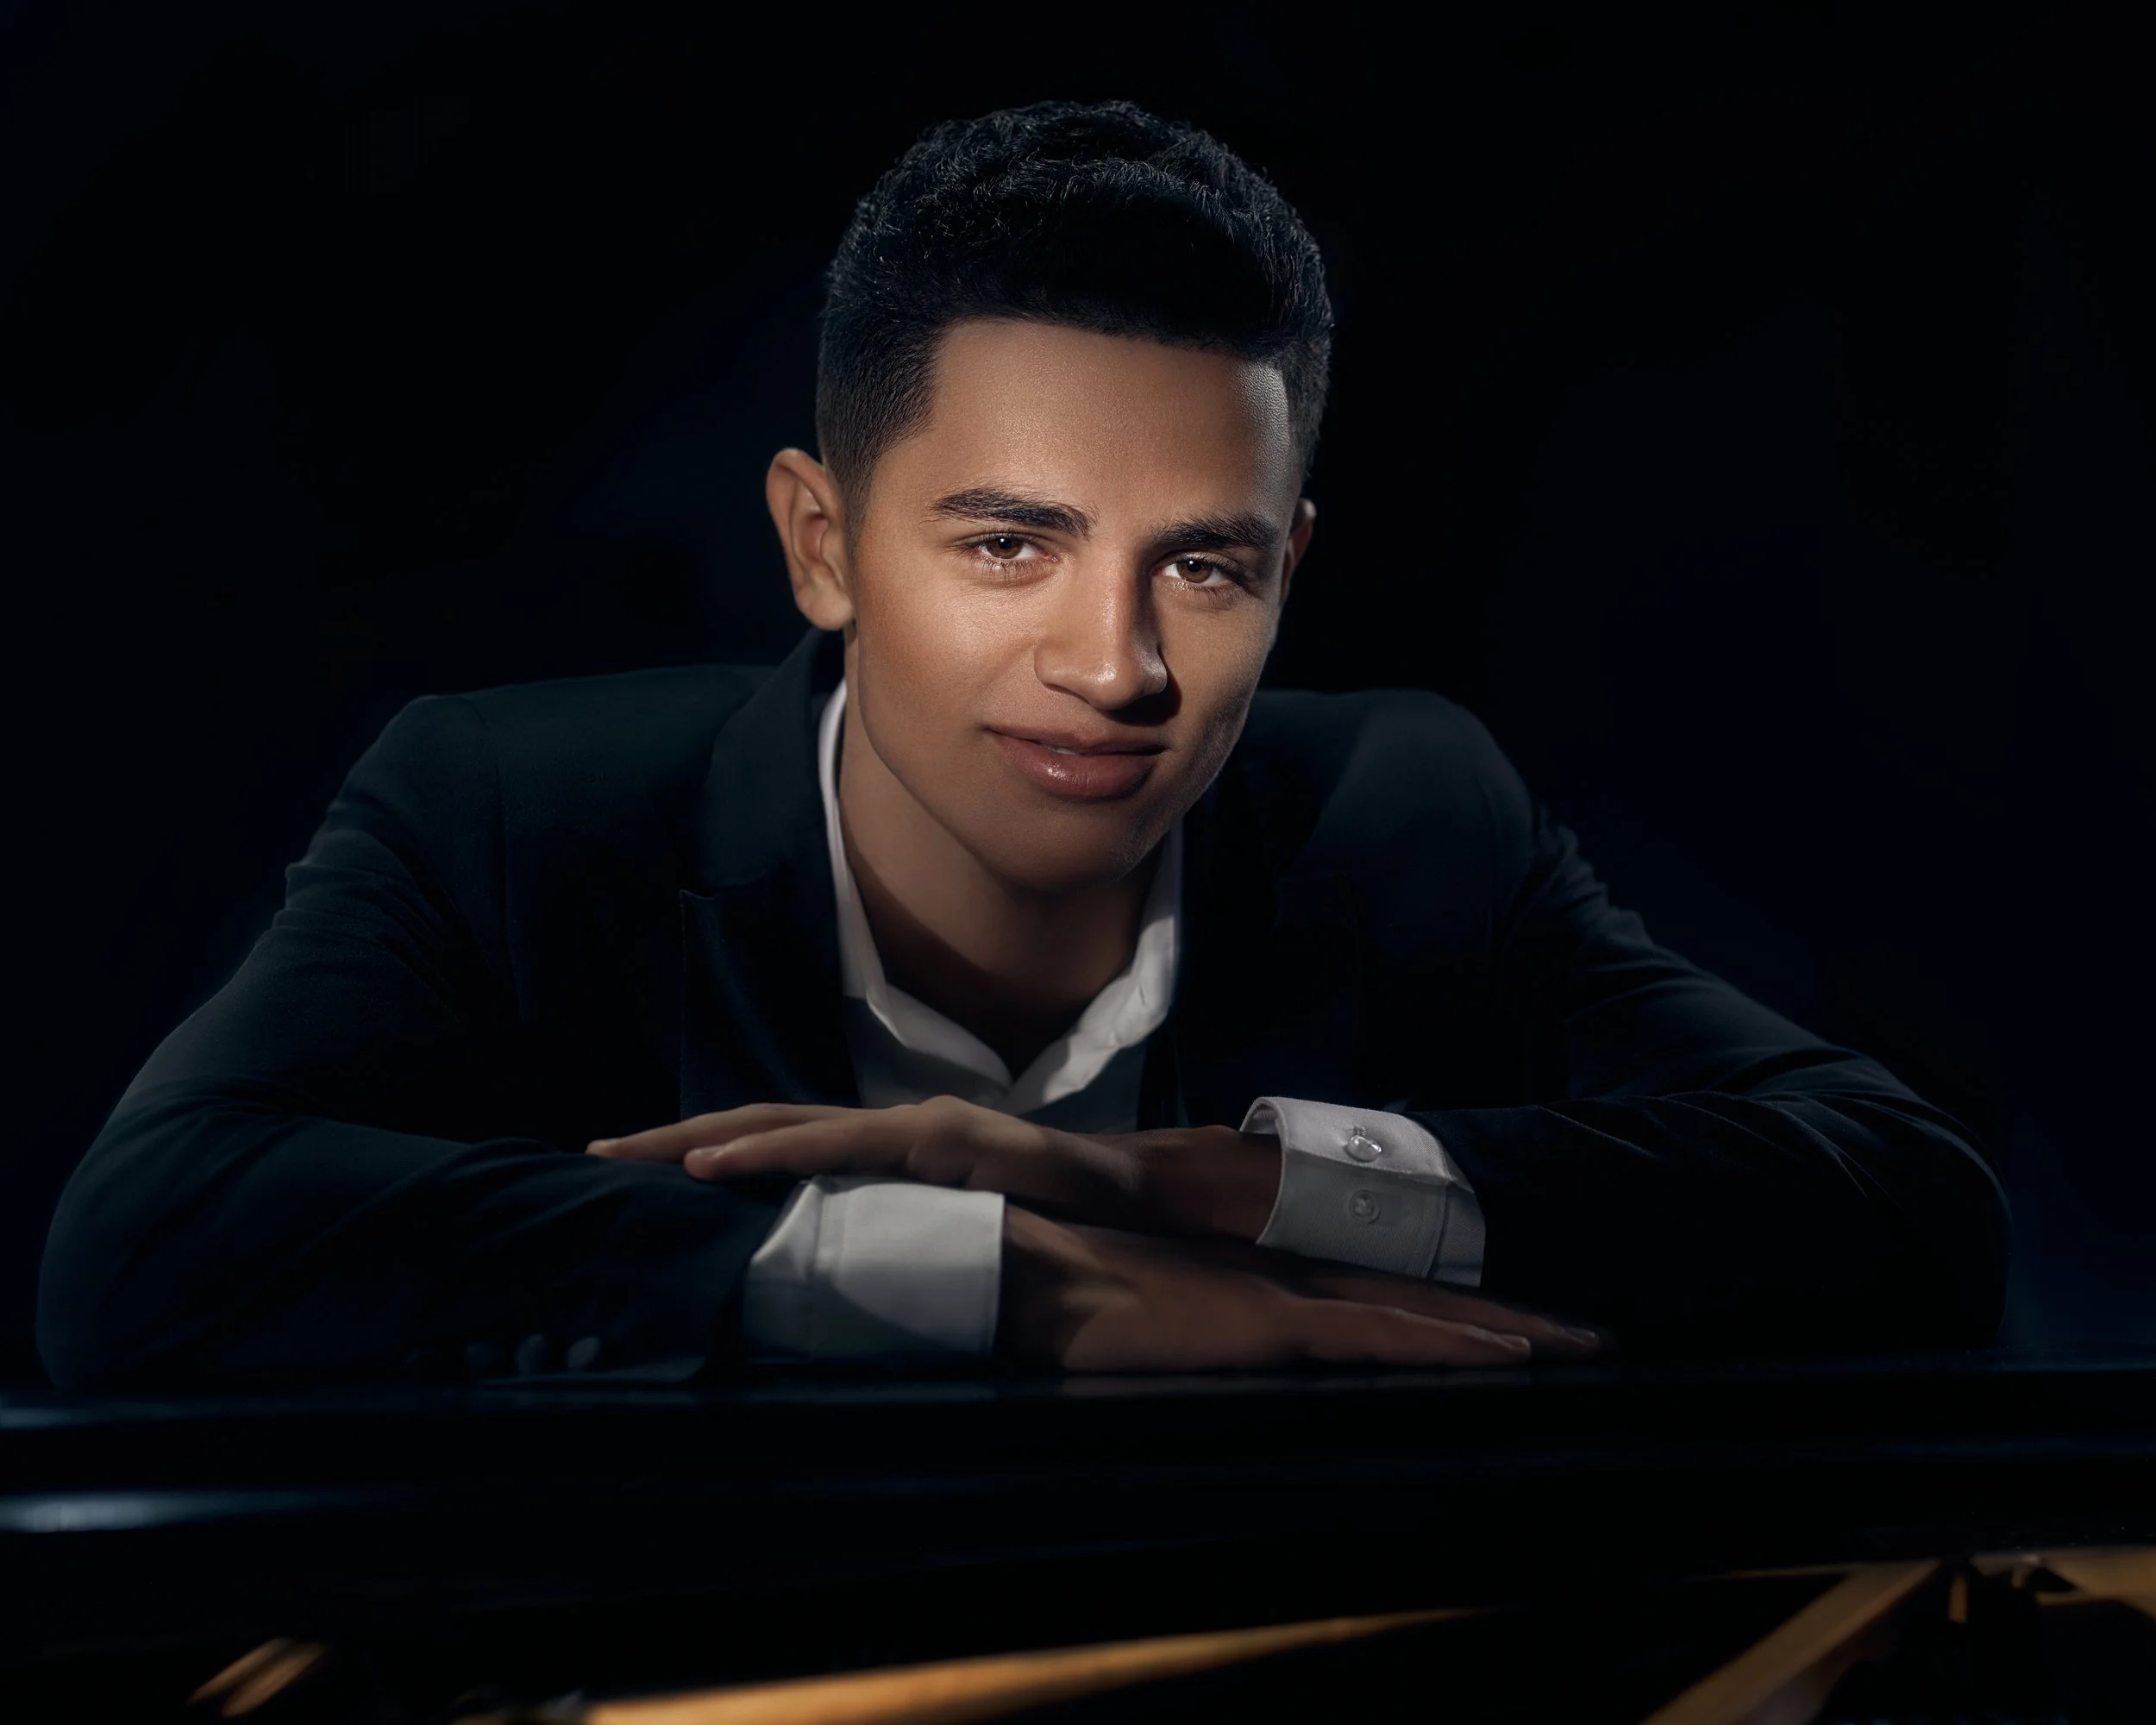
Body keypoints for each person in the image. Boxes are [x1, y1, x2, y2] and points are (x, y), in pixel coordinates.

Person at [37, 100, 2007, 1392]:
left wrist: (1188, 1190)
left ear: (1290, 564)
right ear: (822, 543)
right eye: (1009, 543)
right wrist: (1008, 1283)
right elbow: (145, 1250)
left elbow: (1905, 1211)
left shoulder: (1406, 813)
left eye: (1205, 567)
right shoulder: (506, 811)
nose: (1121, 663)